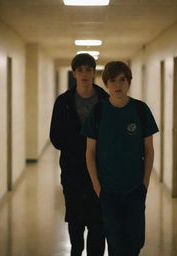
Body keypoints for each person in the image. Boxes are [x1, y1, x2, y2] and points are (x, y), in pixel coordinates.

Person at [81, 61, 159, 256]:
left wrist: (145, 183)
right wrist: (98, 187)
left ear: (129, 82)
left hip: (135, 188)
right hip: (108, 190)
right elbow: (90, 152)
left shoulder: (140, 110)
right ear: (106, 84)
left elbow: (149, 149)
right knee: (115, 241)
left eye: (122, 80)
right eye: (113, 81)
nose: (118, 85)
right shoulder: (98, 112)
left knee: (135, 241)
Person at [50, 53, 108, 256]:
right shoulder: (63, 101)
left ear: (94, 72)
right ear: (74, 73)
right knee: (75, 218)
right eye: (80, 70)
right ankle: (76, 249)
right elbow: (56, 137)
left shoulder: (104, 100)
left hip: (101, 171)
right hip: (72, 170)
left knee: (98, 219)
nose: (84, 74)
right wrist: (79, 147)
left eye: (88, 69)